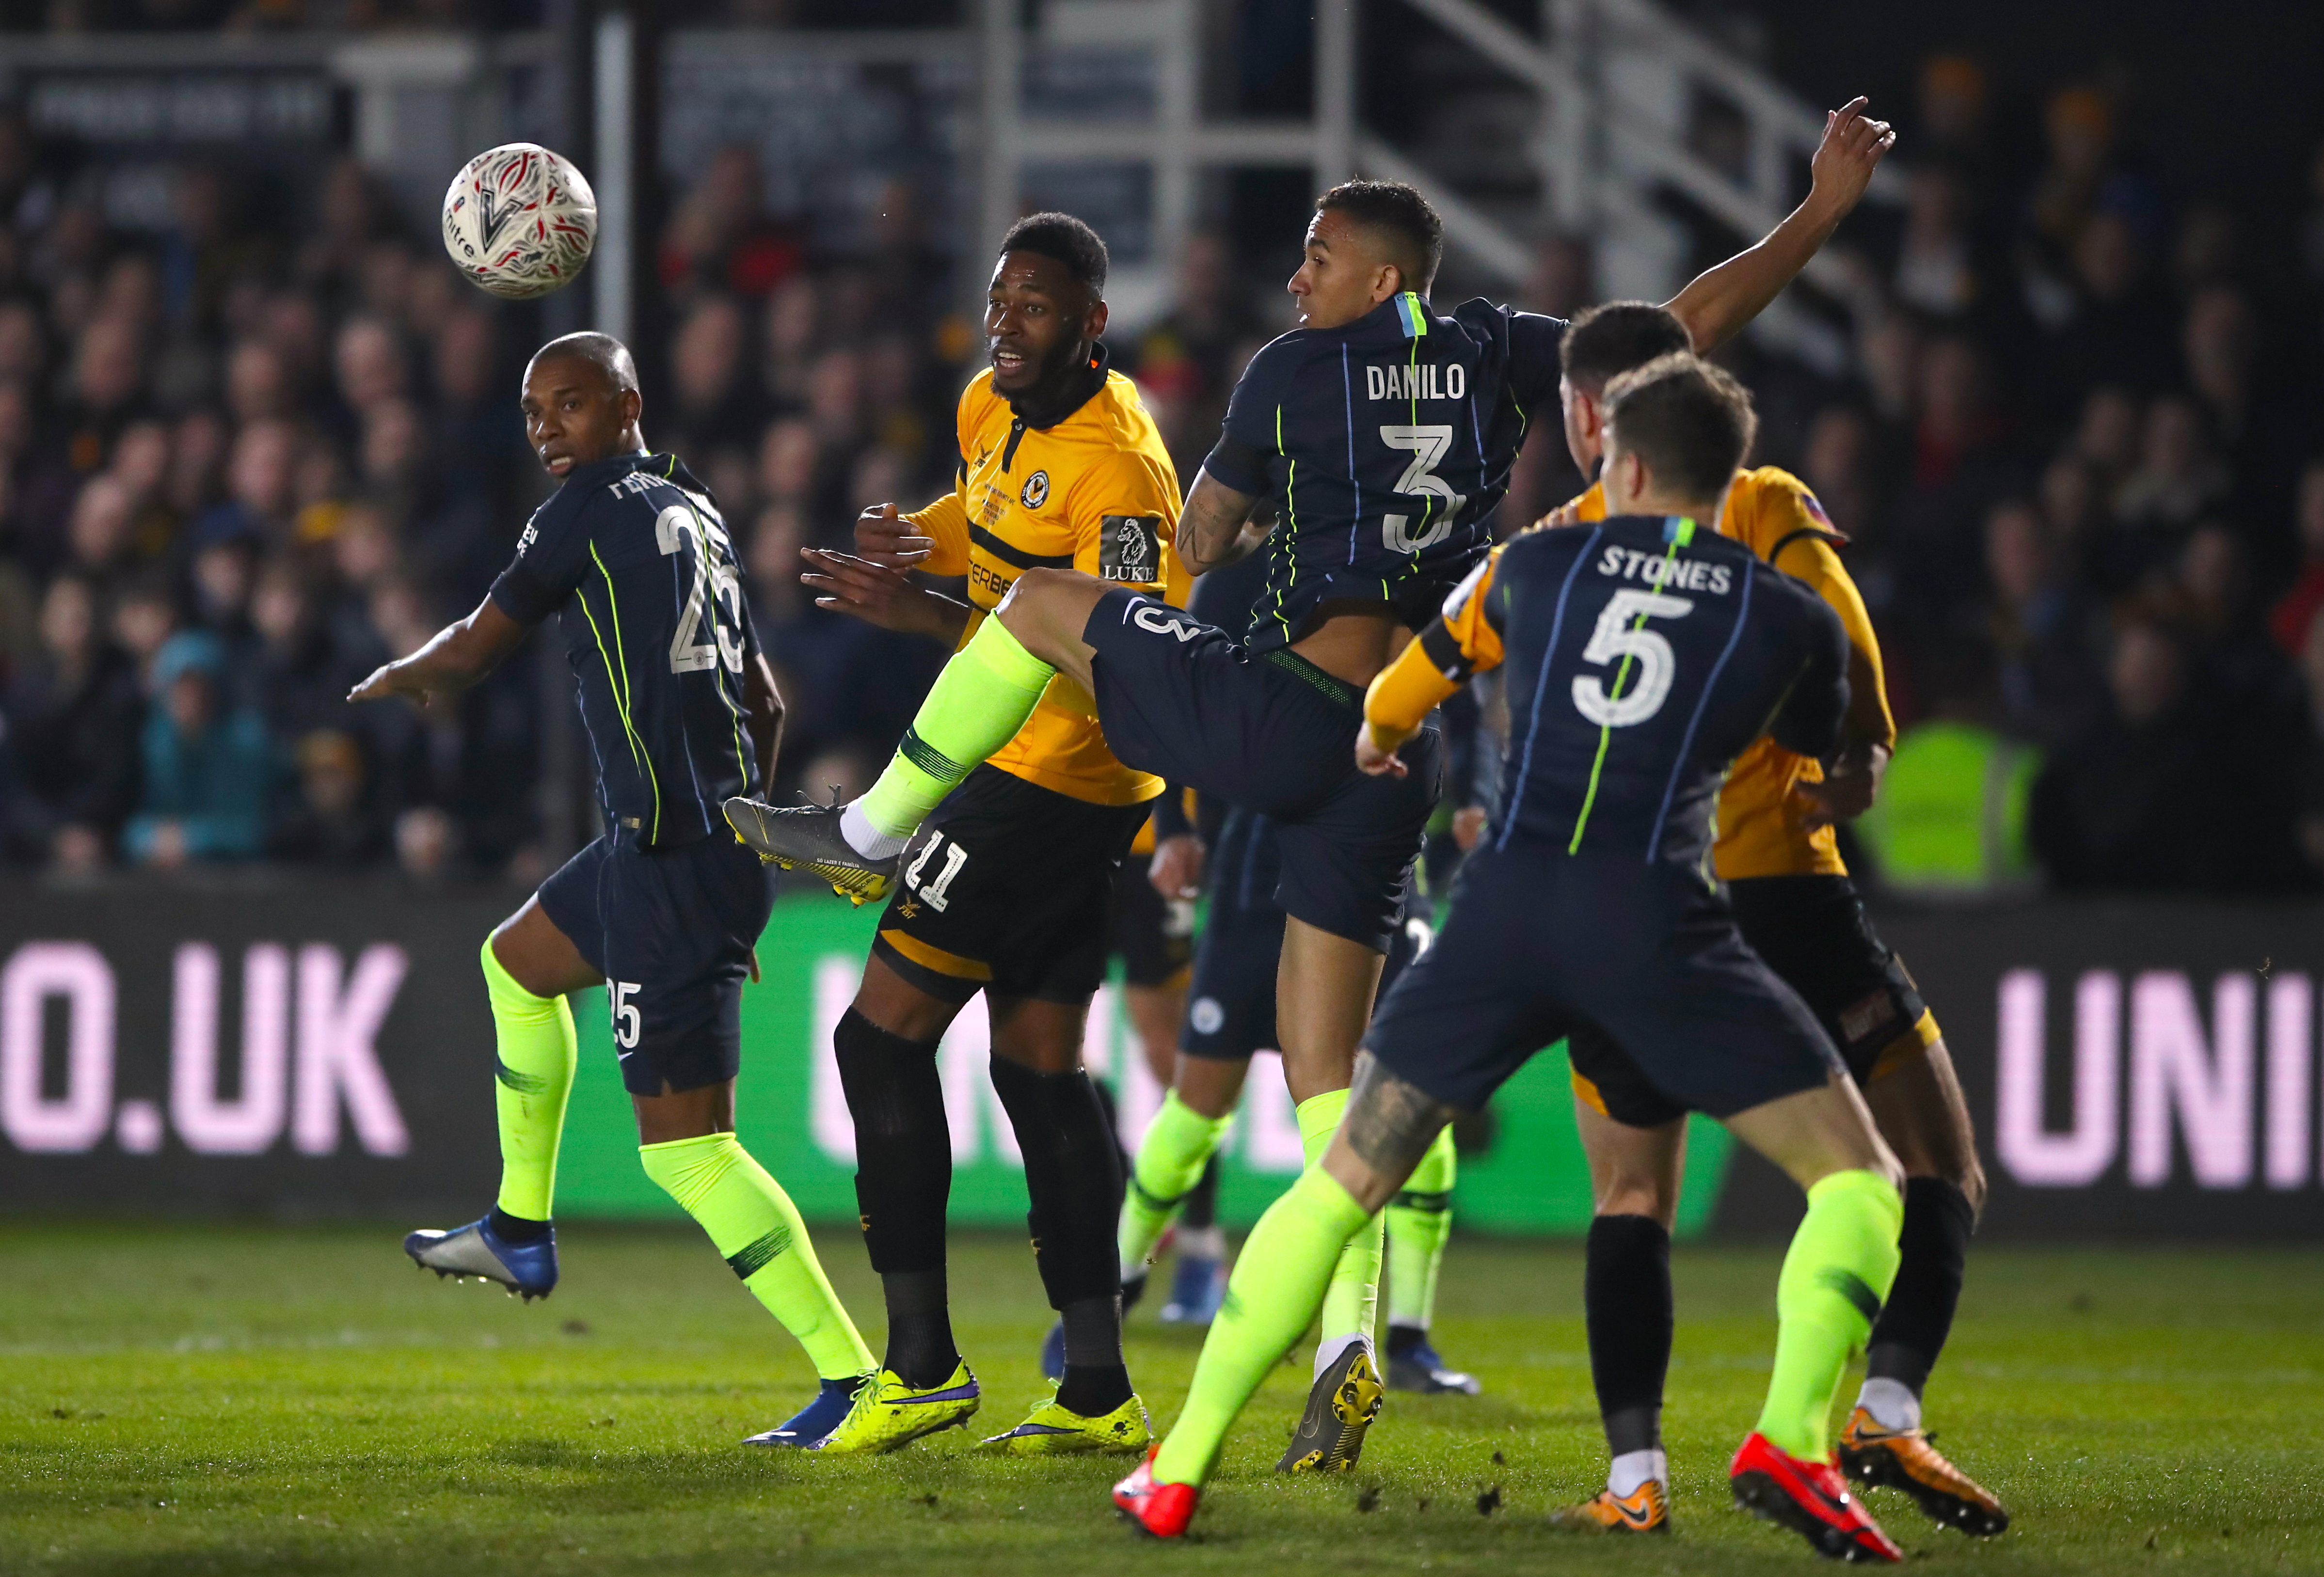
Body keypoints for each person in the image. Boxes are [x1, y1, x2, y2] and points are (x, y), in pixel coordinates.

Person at [730, 102, 1895, 1470]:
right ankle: (1348, 1343)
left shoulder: (1290, 372)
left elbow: (1192, 546)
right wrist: (1817, 212)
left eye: (1320, 255)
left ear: (1379, 279)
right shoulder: (1498, 351)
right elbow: (1676, 329)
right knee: (1327, 1074)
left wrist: (1237, 537)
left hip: (1292, 711)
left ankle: (868, 827)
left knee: (1048, 602)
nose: (1298, 277)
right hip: (1400, 753)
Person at [1114, 354, 1908, 1564]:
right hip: (1658, 922)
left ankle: (1173, 1471)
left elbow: (1394, 701)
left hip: (1506, 918)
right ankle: (1789, 1437)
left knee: (1339, 1185)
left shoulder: (1529, 564)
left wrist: (1380, 737)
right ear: (1727, 478)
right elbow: (1827, 759)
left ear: (1619, 463)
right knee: (1858, 1185)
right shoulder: (1783, 612)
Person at [1518, 302, 2006, 1537]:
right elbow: (1841, 636)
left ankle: (1635, 1484)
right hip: (1779, 882)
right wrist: (1864, 745)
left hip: (1618, 901)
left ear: (1588, 419)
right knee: (1927, 1161)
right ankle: (1876, 1410)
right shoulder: (1758, 499)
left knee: (1630, 1196)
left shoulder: (1556, 545)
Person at [350, 332, 875, 1451]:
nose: (548, 429)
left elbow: (475, 648)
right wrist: (749, 849)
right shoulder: (696, 507)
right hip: (689, 844)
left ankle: (855, 1376)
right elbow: (765, 701)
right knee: (515, 961)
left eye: (571, 406)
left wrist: (407, 671)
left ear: (627, 403)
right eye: (534, 411)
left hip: (670, 857)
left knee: (688, 1149)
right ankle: (519, 1224)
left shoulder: (582, 511)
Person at [756, 213, 1182, 1456]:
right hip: (1029, 778)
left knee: (876, 1039)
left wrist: (924, 614)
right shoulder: (987, 407)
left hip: (1060, 782)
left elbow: (1120, 663)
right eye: (1000, 300)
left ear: (1091, 323)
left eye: (1037, 306)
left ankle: (921, 1367)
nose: (1008, 322)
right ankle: (1097, 1389)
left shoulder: (1125, 472)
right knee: (1037, 1069)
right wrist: (923, 540)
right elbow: (992, 514)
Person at [1112, 553, 1476, 1394]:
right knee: (1201, 1099)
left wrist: (1476, 795)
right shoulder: (1253, 575)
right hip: (1254, 874)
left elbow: (1474, 694)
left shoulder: (1421, 556)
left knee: (1404, 1096)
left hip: (1377, 861)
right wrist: (1174, 827)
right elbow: (1189, 699)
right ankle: (1111, 1291)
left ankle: (1402, 1336)